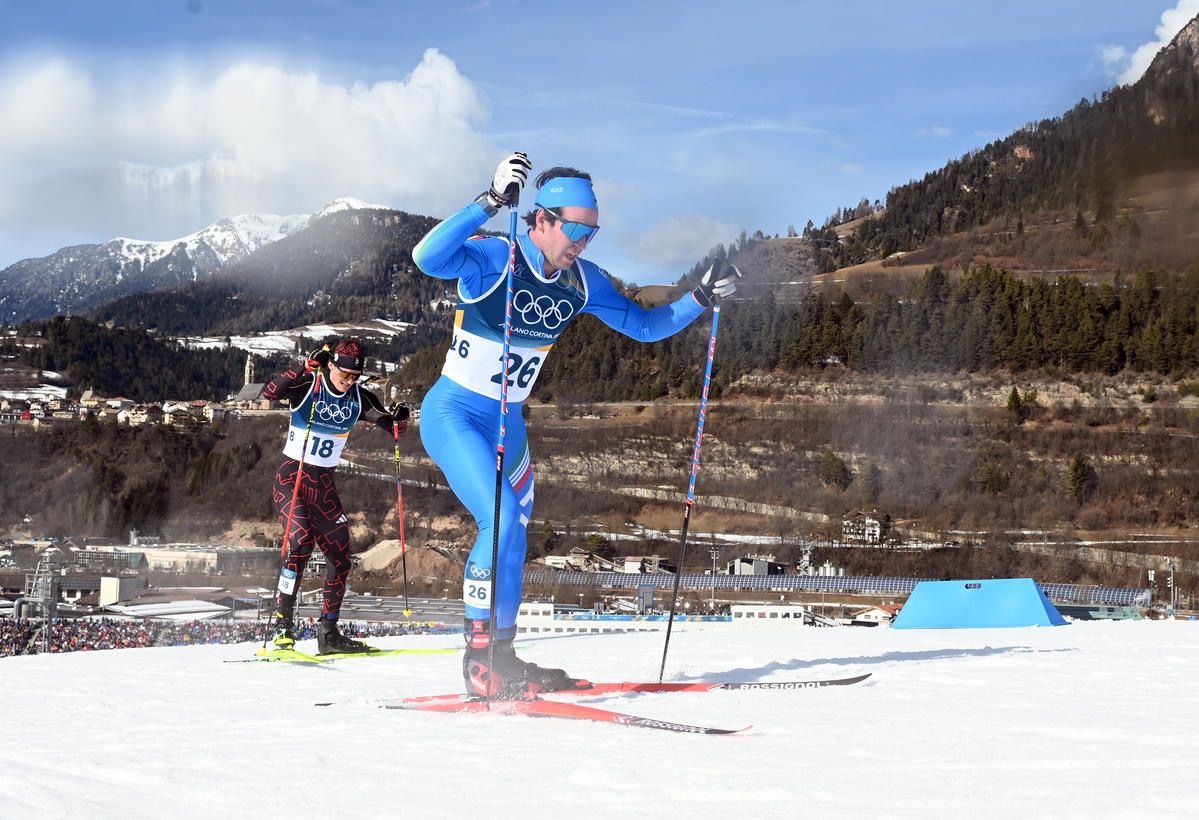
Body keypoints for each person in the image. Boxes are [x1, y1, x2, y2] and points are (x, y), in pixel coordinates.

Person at [413, 153, 740, 696]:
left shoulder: (583, 283)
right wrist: (489, 202)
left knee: (515, 535)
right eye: (577, 230)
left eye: (592, 232)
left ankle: (503, 656)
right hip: (455, 414)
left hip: (508, 424)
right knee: (499, 521)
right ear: (541, 219)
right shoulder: (495, 257)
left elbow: (644, 326)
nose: (584, 243)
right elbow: (427, 257)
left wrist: (700, 298)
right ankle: (478, 661)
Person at [262, 338, 410, 654]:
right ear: (331, 365)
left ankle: (328, 634)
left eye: (355, 376)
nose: (348, 381)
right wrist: (303, 367)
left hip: (323, 488)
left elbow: (394, 428)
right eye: (344, 374)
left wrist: (401, 419)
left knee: (341, 559)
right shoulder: (309, 384)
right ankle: (283, 627)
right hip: (292, 480)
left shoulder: (359, 397)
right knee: (301, 543)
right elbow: (270, 393)